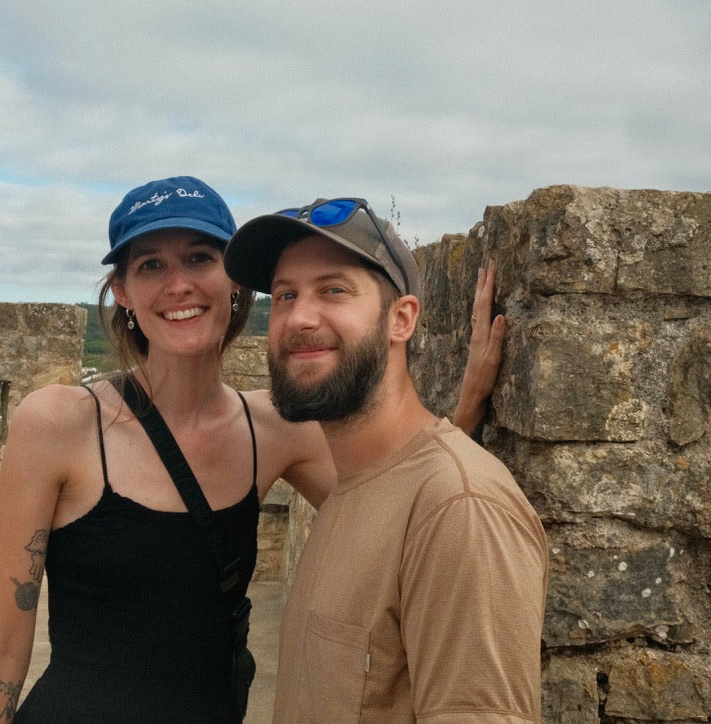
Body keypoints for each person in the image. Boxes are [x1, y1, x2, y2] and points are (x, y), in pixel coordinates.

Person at [0, 177, 504, 723]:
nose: (178, 285)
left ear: (235, 283)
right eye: (151, 265)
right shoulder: (59, 422)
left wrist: (468, 406)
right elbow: (4, 638)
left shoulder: (277, 428)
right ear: (122, 291)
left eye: (199, 258)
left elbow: (390, 505)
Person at [223, 196, 548, 723]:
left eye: (333, 290)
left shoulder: (460, 509)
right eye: (284, 295)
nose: (299, 317)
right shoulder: (353, 487)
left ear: (402, 320)